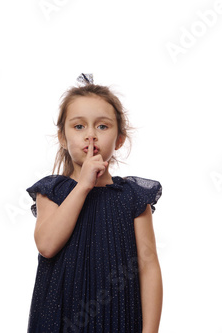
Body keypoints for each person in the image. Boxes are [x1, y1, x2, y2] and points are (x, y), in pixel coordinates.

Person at [26, 73, 163, 332]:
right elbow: (47, 245)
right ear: (62, 137)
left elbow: (148, 266)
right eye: (79, 126)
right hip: (60, 318)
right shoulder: (52, 191)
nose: (91, 136)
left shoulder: (133, 196)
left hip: (119, 317)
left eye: (102, 126)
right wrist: (84, 185)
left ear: (120, 138)